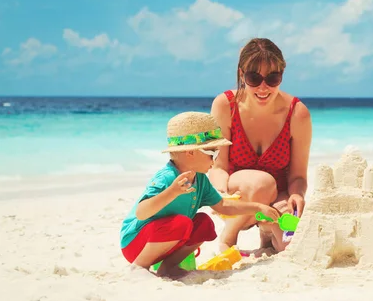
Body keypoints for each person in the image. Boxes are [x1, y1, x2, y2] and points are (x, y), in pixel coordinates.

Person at [119, 111, 281, 278]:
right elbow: (142, 212)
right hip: (136, 243)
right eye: (213, 154)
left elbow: (223, 205)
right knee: (182, 223)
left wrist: (257, 207)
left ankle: (168, 267)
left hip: (164, 240)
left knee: (204, 223)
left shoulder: (200, 179)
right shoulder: (167, 178)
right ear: (190, 152)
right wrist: (172, 192)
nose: (215, 160)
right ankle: (139, 267)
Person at [209, 38, 312, 254]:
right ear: (241, 74)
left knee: (292, 246)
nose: (263, 87)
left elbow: (298, 176)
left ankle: (266, 232)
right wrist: (220, 193)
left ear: (282, 76)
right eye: (254, 78)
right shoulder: (225, 105)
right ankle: (229, 236)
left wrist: (296, 196)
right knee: (261, 183)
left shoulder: (297, 113)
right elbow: (218, 166)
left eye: (273, 78)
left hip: (277, 196)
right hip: (239, 196)